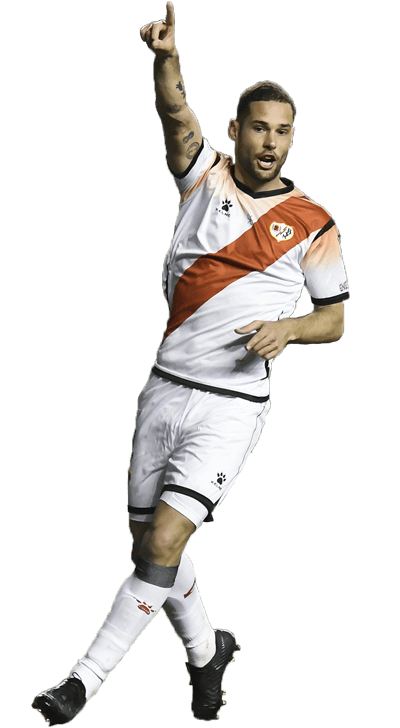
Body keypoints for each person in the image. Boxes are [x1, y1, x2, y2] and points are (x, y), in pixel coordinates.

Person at [32, 2, 349, 725]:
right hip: (164, 388)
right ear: (235, 131)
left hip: (231, 408)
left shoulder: (314, 222)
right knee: (149, 548)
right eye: (259, 128)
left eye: (283, 131)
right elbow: (176, 115)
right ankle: (208, 652)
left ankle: (80, 683)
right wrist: (166, 58)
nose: (271, 142)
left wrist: (290, 329)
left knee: (167, 540)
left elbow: (334, 319)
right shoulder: (202, 176)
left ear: (292, 138)